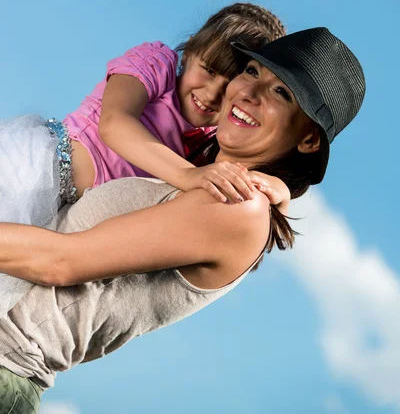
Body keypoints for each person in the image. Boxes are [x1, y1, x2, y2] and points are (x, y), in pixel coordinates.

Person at [0, 27, 365, 413]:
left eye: (282, 93)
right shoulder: (196, 178)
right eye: (253, 71)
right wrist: (280, 185)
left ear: (308, 140)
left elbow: (61, 262)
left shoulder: (239, 209)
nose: (248, 92)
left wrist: (276, 189)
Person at [0, 3, 285, 316]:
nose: (211, 94)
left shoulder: (207, 141)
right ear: (190, 51)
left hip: (59, 217)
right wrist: (189, 175)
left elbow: (230, 200)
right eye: (209, 70)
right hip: (34, 169)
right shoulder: (157, 64)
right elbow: (115, 123)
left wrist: (280, 193)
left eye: (227, 84)